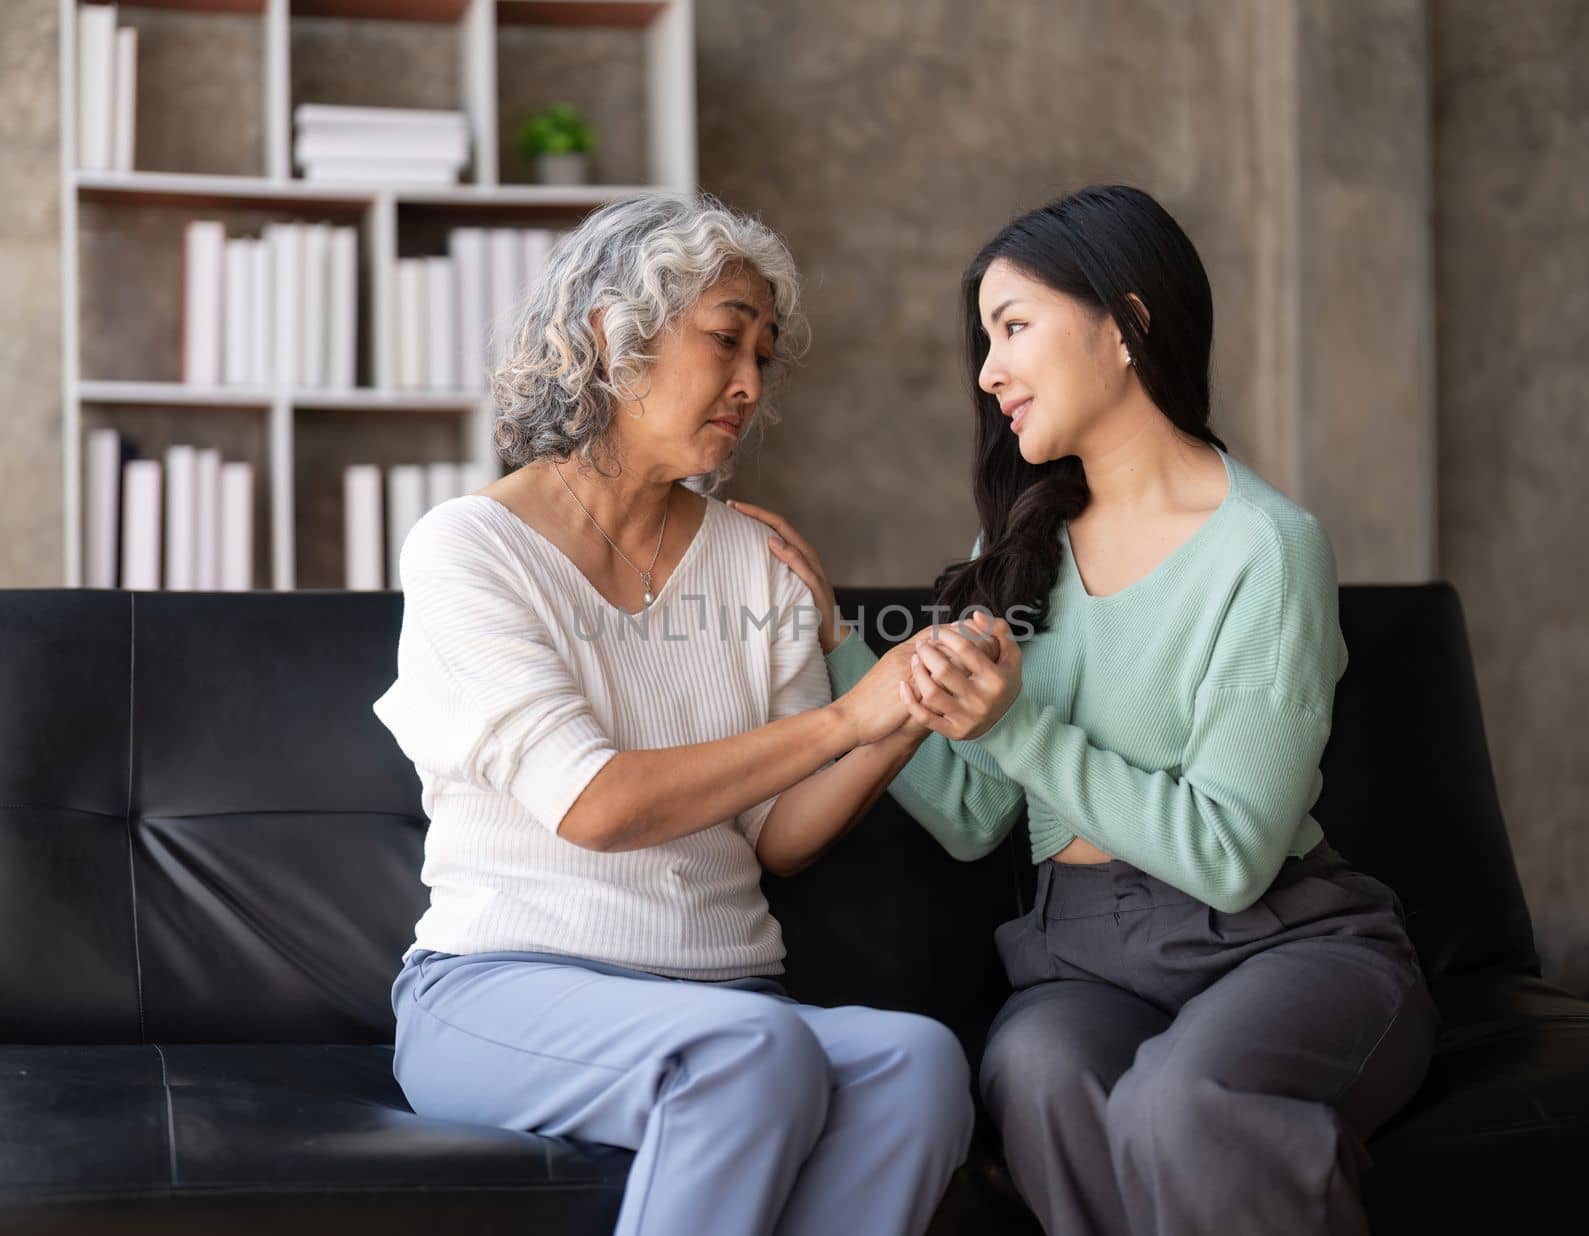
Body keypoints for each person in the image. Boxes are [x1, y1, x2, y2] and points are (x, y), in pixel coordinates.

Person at [731, 184, 1439, 1236]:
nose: (987, 372)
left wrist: (1016, 725)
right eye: (985, 339)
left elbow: (1231, 855)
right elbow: (974, 815)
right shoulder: (1016, 552)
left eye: (1013, 326)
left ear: (1128, 323)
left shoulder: (1265, 547)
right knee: (1035, 1071)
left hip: (1276, 943)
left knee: (1179, 1104)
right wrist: (839, 642)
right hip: (1082, 953)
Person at [371, 191, 972, 1236]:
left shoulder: (758, 564)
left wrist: (904, 711)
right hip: (500, 991)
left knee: (917, 1063)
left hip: (727, 999)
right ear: (613, 339)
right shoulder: (467, 550)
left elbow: (776, 840)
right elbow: (595, 806)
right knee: (751, 1052)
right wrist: (844, 718)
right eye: (724, 341)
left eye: (763, 356)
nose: (748, 384)